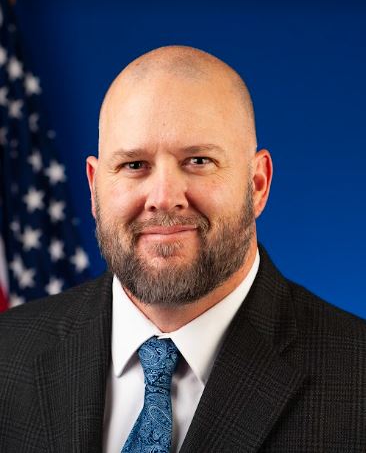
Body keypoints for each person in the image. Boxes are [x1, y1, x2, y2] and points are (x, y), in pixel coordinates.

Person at [0, 46, 365, 453]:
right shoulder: (7, 353)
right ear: (93, 186)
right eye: (134, 165)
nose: (163, 197)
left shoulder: (356, 379)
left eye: (198, 160)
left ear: (257, 184)